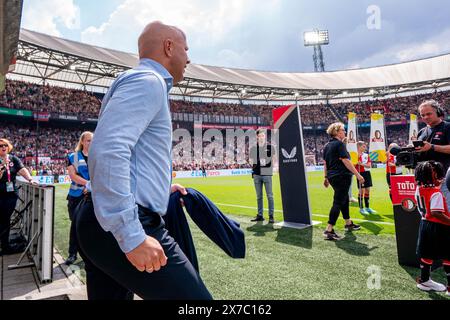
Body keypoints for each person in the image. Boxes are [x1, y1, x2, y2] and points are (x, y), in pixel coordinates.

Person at [76, 21, 212, 300]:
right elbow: (108, 149)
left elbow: (128, 155)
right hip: (123, 222)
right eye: (186, 49)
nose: (189, 57)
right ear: (168, 47)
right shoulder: (148, 82)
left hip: (100, 218)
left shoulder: (139, 82)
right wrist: (131, 234)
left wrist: (160, 191)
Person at [323, 123, 364, 241]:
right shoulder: (340, 144)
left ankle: (348, 223)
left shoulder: (327, 146)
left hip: (332, 177)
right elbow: (346, 161)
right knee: (338, 201)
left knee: (344, 199)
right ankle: (329, 229)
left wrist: (325, 177)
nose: (344, 132)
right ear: (336, 132)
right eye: (342, 130)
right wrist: (358, 174)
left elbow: (325, 163)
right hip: (341, 176)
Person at [414, 161, 450, 296]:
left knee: (427, 254)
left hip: (424, 223)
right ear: (431, 175)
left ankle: (424, 280)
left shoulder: (418, 189)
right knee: (448, 254)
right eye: (435, 172)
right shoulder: (436, 193)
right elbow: (436, 212)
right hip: (439, 226)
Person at [0, 138, 36, 255]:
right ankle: (5, 246)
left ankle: (5, 244)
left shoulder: (13, 158)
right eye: (0, 146)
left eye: (5, 145)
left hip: (11, 195)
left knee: (5, 220)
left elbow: (22, 169)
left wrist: (30, 179)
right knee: (3, 220)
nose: (3, 147)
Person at [415, 100, 450, 210]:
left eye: (429, 114)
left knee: (447, 210)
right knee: (426, 212)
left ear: (438, 112)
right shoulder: (421, 132)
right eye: (422, 115)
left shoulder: (447, 127)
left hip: (443, 178)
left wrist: (432, 147)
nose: (425, 117)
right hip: (423, 179)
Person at [65, 131, 93, 266]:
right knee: (75, 224)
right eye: (88, 140)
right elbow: (73, 175)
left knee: (90, 225)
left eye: (92, 141)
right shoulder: (72, 156)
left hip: (93, 196)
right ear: (82, 142)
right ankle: (72, 254)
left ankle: (88, 254)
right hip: (76, 196)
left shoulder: (97, 156)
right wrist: (88, 184)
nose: (91, 143)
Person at [250, 129, 276, 224]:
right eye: (260, 136)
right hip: (257, 174)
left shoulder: (270, 147)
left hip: (267, 173)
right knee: (259, 196)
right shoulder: (253, 148)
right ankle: (260, 215)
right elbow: (252, 161)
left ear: (265, 136)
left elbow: (274, 159)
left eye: (263, 136)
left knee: (270, 195)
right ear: (257, 137)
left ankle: (271, 216)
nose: (261, 137)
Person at [355, 141, 376, 215]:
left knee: (367, 190)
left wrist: (362, 164)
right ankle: (361, 208)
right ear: (359, 147)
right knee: (361, 191)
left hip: (367, 173)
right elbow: (353, 165)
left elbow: (369, 165)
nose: (365, 148)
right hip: (360, 173)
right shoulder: (355, 155)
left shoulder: (366, 155)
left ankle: (367, 207)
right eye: (363, 146)